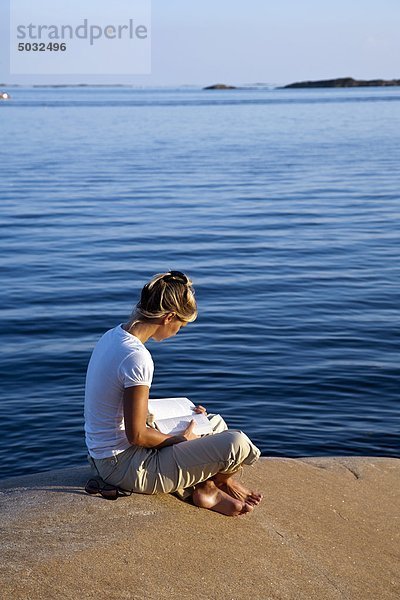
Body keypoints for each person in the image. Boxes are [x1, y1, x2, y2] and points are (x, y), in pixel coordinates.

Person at [84, 271, 262, 516]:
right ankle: (215, 484)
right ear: (169, 317)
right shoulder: (138, 358)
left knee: (212, 423)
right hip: (124, 466)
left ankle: (207, 484)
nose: (179, 331)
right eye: (181, 325)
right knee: (237, 444)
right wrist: (181, 440)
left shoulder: (113, 336)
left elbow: (118, 406)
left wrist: (187, 418)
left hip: (103, 455)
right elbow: (136, 435)